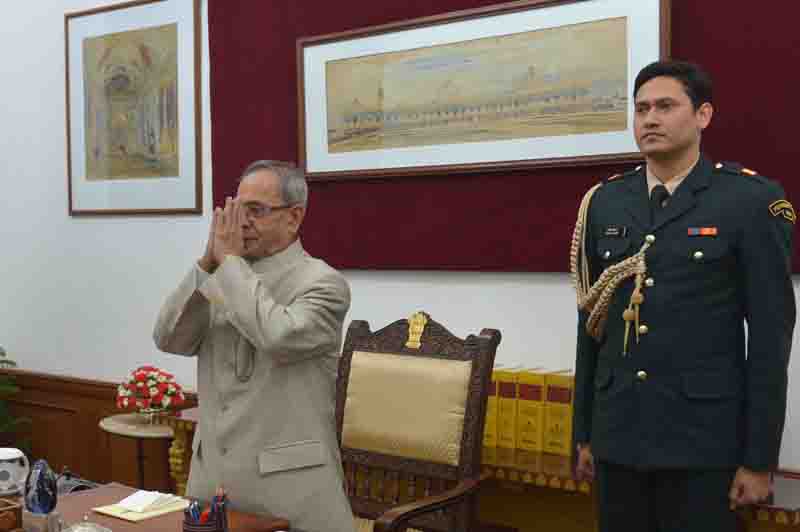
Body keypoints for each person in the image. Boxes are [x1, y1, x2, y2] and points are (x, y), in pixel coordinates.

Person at [569, 60, 795, 531]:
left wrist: (758, 459)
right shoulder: (604, 202)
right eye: (641, 109)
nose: (650, 119)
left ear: (703, 115)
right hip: (619, 438)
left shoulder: (749, 203)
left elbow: (771, 341)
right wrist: (585, 434)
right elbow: (592, 326)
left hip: (704, 446)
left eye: (666, 106)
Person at [154, 160, 354, 532]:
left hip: (288, 494)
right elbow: (169, 338)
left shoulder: (324, 284)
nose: (241, 222)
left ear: (293, 218)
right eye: (237, 209)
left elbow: (277, 337)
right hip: (209, 488)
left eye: (256, 211)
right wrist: (206, 264)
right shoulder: (223, 274)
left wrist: (228, 265)